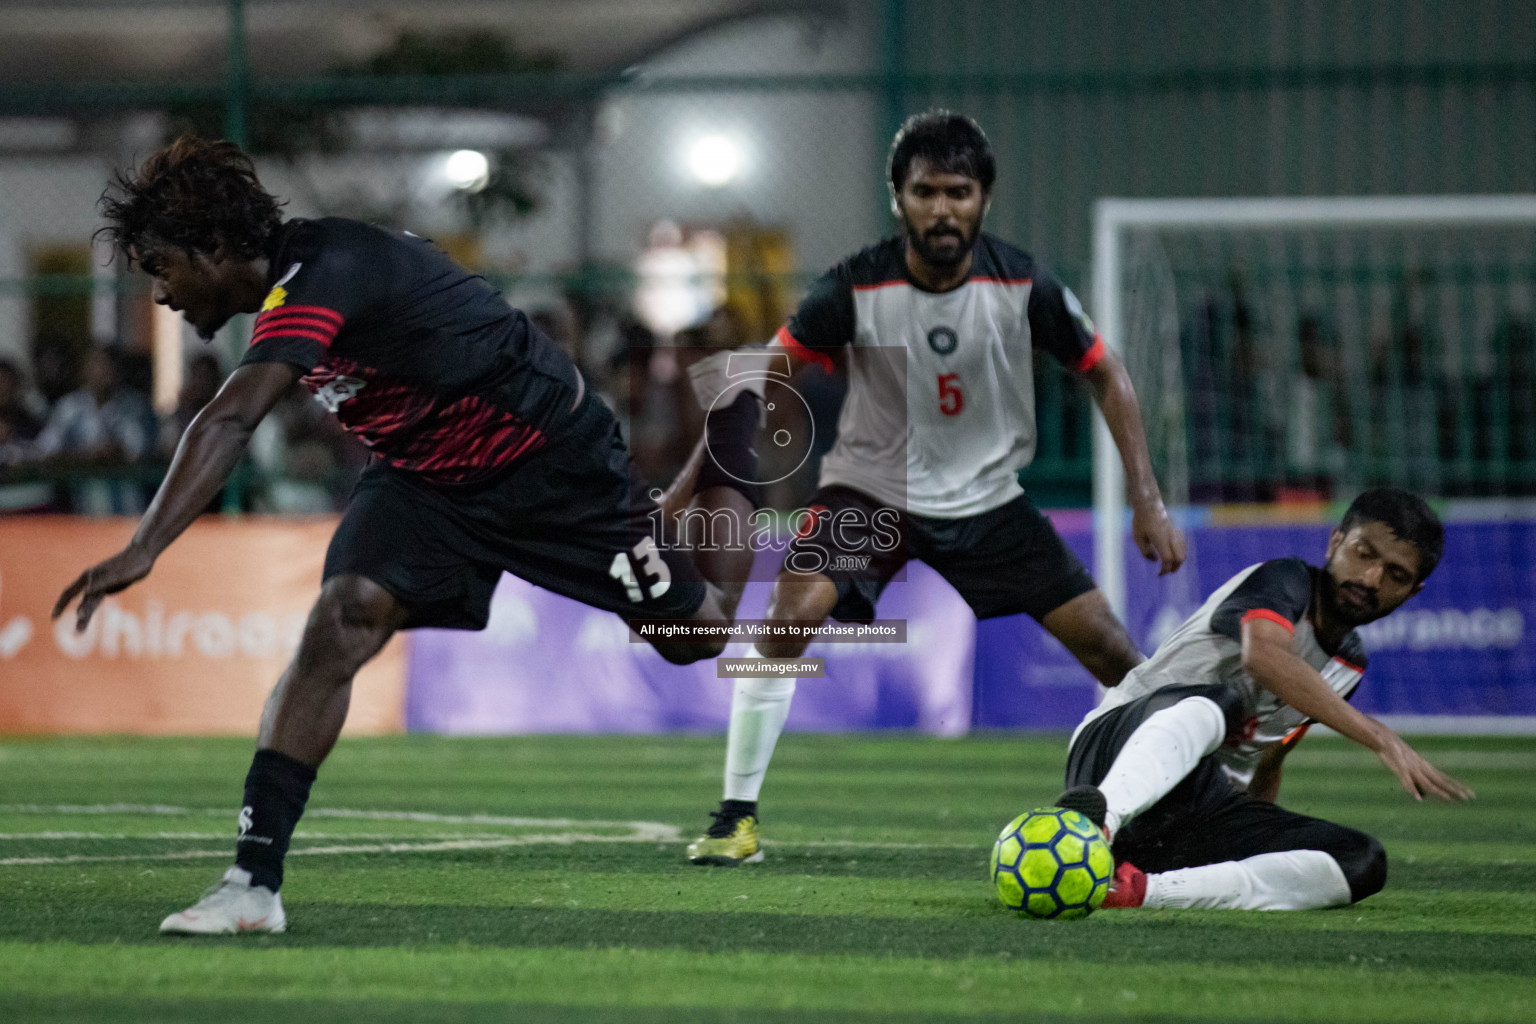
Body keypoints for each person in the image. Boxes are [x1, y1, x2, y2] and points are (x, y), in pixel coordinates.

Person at [52, 137, 767, 934]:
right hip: (426, 478)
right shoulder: (300, 287)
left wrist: (144, 545)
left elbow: (230, 415)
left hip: (553, 469)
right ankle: (252, 883)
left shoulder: (329, 269)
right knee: (340, 619)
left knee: (698, 637)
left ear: (214, 248)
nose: (160, 295)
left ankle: (726, 448)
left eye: (162, 267)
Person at [685, 111, 1187, 865]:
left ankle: (1173, 813)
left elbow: (1106, 373)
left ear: (984, 198)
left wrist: (1146, 499)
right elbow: (767, 373)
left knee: (1116, 653)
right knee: (788, 616)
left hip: (990, 503)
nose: (943, 208)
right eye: (926, 192)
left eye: (959, 191)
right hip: (870, 492)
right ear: (900, 199)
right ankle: (736, 818)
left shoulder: (1024, 283)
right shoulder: (853, 286)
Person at [1054, 488, 1473, 911]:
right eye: (1363, 553)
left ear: (1412, 593)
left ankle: (1136, 891)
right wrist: (1380, 737)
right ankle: (1094, 826)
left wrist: (1260, 835)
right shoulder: (1285, 580)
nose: (1370, 579)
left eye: (1395, 576)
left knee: (1362, 860)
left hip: (1195, 813)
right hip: (1115, 752)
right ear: (1335, 541)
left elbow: (1268, 755)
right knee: (1225, 700)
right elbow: (1263, 658)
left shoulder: (1348, 666)